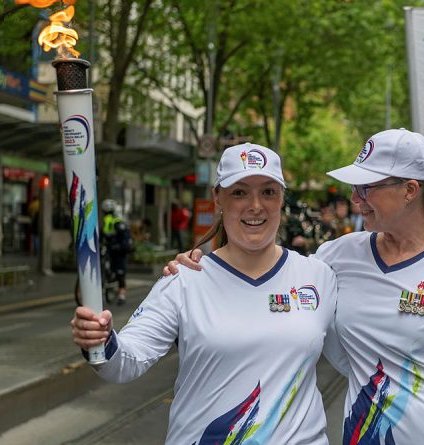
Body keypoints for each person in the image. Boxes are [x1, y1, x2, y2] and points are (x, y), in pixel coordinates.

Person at [165, 129, 424, 444]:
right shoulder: (336, 257)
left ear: (410, 190)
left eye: (366, 187)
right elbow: (269, 282)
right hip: (368, 434)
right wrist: (206, 266)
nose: (354, 199)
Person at [71, 144, 338, 444]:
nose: (255, 205)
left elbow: (363, 352)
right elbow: (124, 363)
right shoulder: (184, 281)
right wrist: (101, 339)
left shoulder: (319, 277)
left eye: (268, 192)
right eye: (239, 192)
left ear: (281, 199)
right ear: (217, 197)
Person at [101, 199, 131, 305]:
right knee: (105, 266)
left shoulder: (117, 221)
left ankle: (122, 295)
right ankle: (107, 280)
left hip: (119, 250)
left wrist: (121, 246)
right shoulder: (105, 221)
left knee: (120, 272)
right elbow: (102, 234)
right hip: (110, 248)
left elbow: (124, 236)